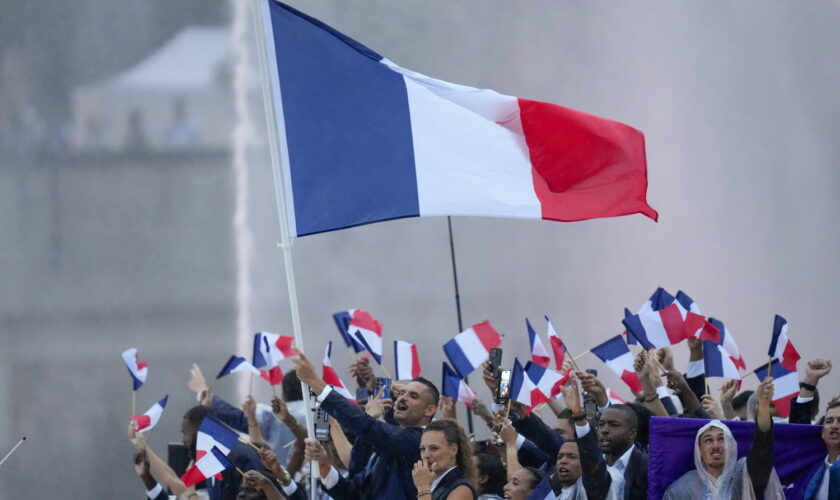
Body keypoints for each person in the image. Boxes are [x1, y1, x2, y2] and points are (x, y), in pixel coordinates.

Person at [293, 347, 438, 499]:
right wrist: (325, 466)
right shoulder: (390, 443)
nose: (403, 398)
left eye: (413, 396)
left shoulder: (420, 440)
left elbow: (367, 427)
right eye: (402, 393)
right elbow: (354, 485)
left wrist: (316, 383)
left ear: (429, 410)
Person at [663, 377, 785, 499]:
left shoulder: (745, 475)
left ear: (731, 445)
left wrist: (763, 407)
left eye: (722, 439)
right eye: (709, 440)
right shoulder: (680, 491)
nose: (716, 446)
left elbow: (762, 449)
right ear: (699, 449)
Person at [181, 405, 266, 500]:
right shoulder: (211, 458)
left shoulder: (240, 458)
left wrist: (191, 494)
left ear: (197, 432)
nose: (183, 440)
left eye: (185, 433)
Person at [412, 419, 477, 499]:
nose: (426, 455)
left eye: (434, 448)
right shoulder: (434, 484)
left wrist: (423, 488)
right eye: (423, 449)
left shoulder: (462, 489)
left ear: (453, 450)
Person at [597, 404, 648, 499]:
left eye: (614, 425)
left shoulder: (647, 467)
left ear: (632, 433)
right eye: (601, 424)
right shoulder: (592, 464)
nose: (604, 430)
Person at [803, 400, 840, 499]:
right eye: (829, 421)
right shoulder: (814, 473)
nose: (834, 426)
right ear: (823, 433)